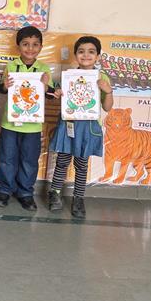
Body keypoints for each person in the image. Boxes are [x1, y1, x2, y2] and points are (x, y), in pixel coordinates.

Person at [48, 36, 113, 219]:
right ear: (76, 55)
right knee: (62, 160)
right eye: (81, 51)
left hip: (88, 126)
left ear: (98, 56)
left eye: (91, 52)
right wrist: (58, 94)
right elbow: (60, 100)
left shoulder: (102, 78)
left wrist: (108, 91)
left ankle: (78, 198)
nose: (86, 55)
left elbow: (107, 107)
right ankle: (55, 193)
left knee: (82, 164)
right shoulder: (68, 76)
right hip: (69, 123)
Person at [0, 26, 54, 211]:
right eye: (26, 44)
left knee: (29, 160)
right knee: (6, 158)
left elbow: (50, 95)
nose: (30, 48)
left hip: (32, 126)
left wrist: (46, 87)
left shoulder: (44, 69)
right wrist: (4, 85)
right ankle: (4, 190)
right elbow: (3, 90)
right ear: (18, 46)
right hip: (10, 124)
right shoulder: (12, 66)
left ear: (41, 47)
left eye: (35, 44)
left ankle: (25, 193)